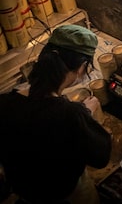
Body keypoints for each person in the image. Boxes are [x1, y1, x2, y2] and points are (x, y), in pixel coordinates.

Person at [0, 25, 111, 204]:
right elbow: (101, 156)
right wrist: (86, 113)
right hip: (66, 195)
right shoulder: (69, 114)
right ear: (82, 67)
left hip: (26, 195)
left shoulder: (4, 103)